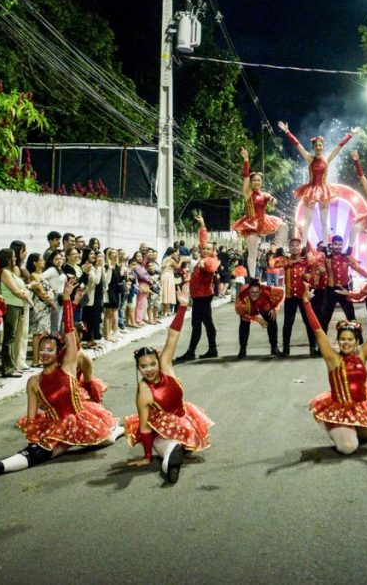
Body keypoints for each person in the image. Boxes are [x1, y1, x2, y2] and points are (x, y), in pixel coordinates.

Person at [0, 278, 122, 479]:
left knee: (108, 438)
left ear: (57, 352)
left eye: (49, 350)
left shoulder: (68, 367)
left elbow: (69, 333)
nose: (44, 353)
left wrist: (69, 301)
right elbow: (32, 419)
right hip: (57, 425)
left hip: (82, 421)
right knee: (47, 448)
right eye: (41, 349)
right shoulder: (33, 382)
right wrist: (35, 438)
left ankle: (120, 429)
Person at [124, 289, 213, 483]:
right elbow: (145, 426)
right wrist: (147, 456)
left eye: (152, 364)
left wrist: (181, 307)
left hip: (184, 420)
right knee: (170, 448)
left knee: (179, 444)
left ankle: (176, 454)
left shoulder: (165, 365)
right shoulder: (144, 391)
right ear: (138, 368)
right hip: (160, 430)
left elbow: (172, 336)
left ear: (158, 361)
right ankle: (171, 466)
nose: (149, 369)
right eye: (143, 367)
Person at [300, 286, 367, 454]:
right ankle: (332, 425)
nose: (346, 343)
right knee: (348, 448)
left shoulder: (363, 355)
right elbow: (318, 331)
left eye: (350, 340)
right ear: (337, 341)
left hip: (360, 405)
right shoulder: (332, 359)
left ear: (356, 341)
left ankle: (352, 428)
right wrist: (306, 304)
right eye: (342, 339)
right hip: (340, 407)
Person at [278, 120, 356, 244]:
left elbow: (339, 147)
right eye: (316, 146)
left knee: (324, 221)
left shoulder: (327, 158)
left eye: (320, 145)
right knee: (307, 220)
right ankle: (303, 246)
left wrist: (350, 135)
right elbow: (298, 145)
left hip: (324, 191)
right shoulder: (310, 158)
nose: (318, 147)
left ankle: (325, 245)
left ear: (322, 146)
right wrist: (287, 131)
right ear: (314, 148)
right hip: (311, 190)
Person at [232, 147, 289, 280]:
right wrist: (246, 160)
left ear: (261, 182)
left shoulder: (264, 194)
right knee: (253, 253)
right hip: (251, 223)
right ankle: (252, 278)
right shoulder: (248, 193)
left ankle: (279, 250)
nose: (257, 182)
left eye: (259, 180)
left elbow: (271, 200)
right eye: (254, 180)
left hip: (264, 221)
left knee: (284, 226)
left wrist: (273, 201)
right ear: (251, 183)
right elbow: (245, 177)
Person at [176, 214, 221, 362]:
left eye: (208, 249)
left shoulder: (211, 260)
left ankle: (196, 351)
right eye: (204, 249)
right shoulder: (203, 256)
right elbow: (203, 241)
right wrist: (202, 225)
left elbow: (211, 268)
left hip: (203, 296)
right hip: (198, 296)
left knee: (201, 323)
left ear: (213, 251)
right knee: (201, 323)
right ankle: (207, 349)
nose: (205, 250)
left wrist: (204, 265)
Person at [267, 239, 317, 357]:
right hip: (290, 296)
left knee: (308, 322)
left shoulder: (306, 261)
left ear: (300, 247)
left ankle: (313, 347)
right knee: (288, 323)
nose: (294, 247)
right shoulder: (286, 260)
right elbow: (273, 264)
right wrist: (293, 261)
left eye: (297, 245)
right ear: (289, 248)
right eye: (292, 245)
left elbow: (314, 273)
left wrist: (309, 276)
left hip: (303, 296)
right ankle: (286, 349)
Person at [315, 235, 367, 332]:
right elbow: (318, 267)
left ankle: (359, 342)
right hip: (330, 291)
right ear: (332, 245)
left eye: (340, 244)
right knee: (324, 319)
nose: (338, 246)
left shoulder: (347, 257)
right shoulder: (326, 257)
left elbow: (358, 269)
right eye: (336, 244)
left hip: (344, 290)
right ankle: (321, 345)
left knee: (351, 317)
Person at [0, 248, 34, 378]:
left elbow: (21, 288)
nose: (14, 259)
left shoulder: (12, 272)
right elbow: (16, 291)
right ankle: (8, 368)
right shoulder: (5, 272)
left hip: (17, 305)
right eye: (12, 257)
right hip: (11, 305)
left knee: (13, 337)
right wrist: (29, 299)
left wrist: (25, 291)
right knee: (9, 338)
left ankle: (12, 366)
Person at [235, 278, 285, 359]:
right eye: (251, 292)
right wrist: (258, 319)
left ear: (260, 291)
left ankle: (274, 347)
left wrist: (275, 308)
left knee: (272, 319)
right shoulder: (242, 297)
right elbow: (242, 314)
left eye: (256, 292)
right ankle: (242, 349)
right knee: (244, 323)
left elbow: (281, 293)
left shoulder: (267, 291)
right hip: (249, 309)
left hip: (264, 306)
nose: (254, 294)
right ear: (248, 291)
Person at [26, 253, 59, 366]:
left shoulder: (41, 275)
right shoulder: (34, 275)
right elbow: (40, 292)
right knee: (37, 333)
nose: (43, 262)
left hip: (45, 306)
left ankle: (39, 358)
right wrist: (51, 302)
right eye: (40, 260)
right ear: (34, 263)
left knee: (43, 333)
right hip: (40, 306)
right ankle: (35, 360)